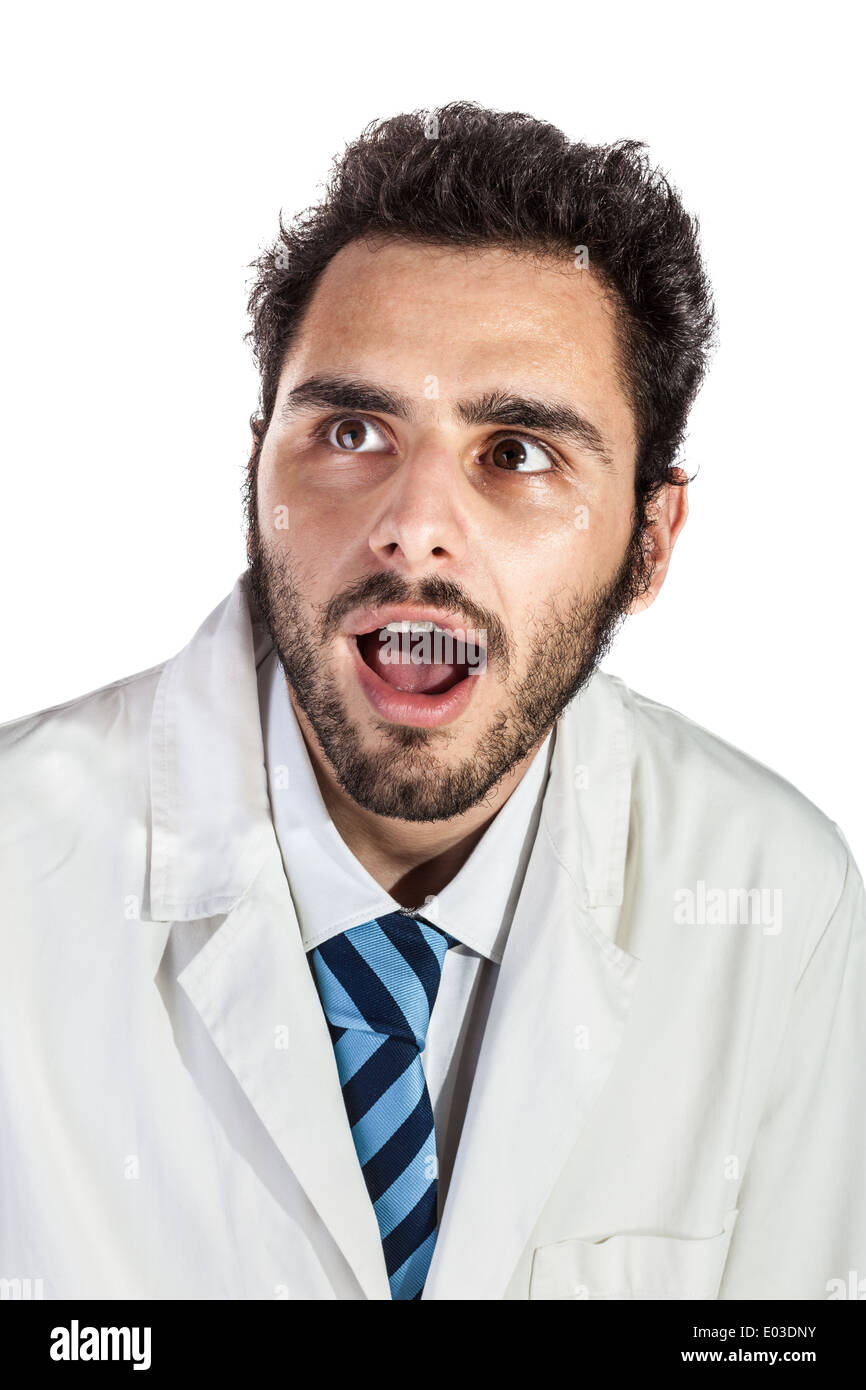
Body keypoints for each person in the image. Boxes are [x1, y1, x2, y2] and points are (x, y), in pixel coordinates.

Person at [1, 102, 863, 1302]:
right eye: (351, 430)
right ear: (254, 476)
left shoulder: (778, 893)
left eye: (515, 452)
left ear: (649, 545)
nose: (412, 524)